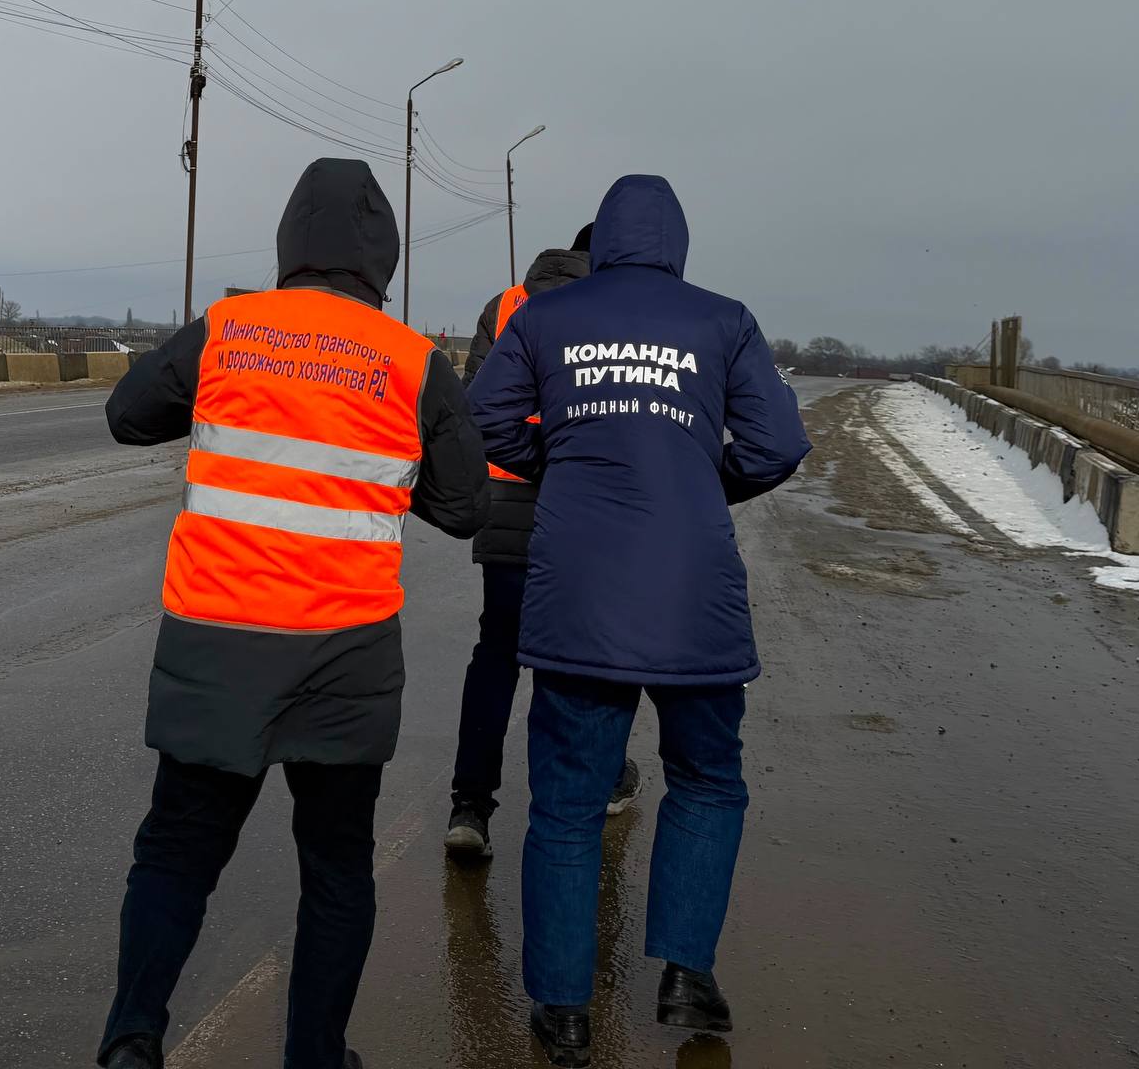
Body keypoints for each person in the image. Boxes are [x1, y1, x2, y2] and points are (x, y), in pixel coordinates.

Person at [96, 157, 488, 1069]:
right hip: (344, 659)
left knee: (178, 852)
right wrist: (388, 475)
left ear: (288, 242)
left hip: (215, 643)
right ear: (380, 259)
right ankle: (315, 1057)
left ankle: (130, 1043)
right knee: (337, 869)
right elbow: (467, 504)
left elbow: (128, 414)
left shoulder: (228, 331)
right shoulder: (413, 361)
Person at [467, 175, 808, 1068]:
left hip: (581, 589)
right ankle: (687, 973)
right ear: (677, 243)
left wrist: (564, 456)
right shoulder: (723, 320)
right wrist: (701, 478)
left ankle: (564, 1010)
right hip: (696, 591)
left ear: (605, 239)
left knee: (569, 804)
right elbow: (777, 445)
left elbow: (485, 417)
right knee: (706, 779)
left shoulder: (546, 318)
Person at [443, 225, 640, 861]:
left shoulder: (504, 306)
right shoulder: (616, 314)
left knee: (496, 651)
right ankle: (596, 787)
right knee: (587, 655)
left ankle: (470, 806)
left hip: (503, 504)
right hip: (583, 508)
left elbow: (475, 405)